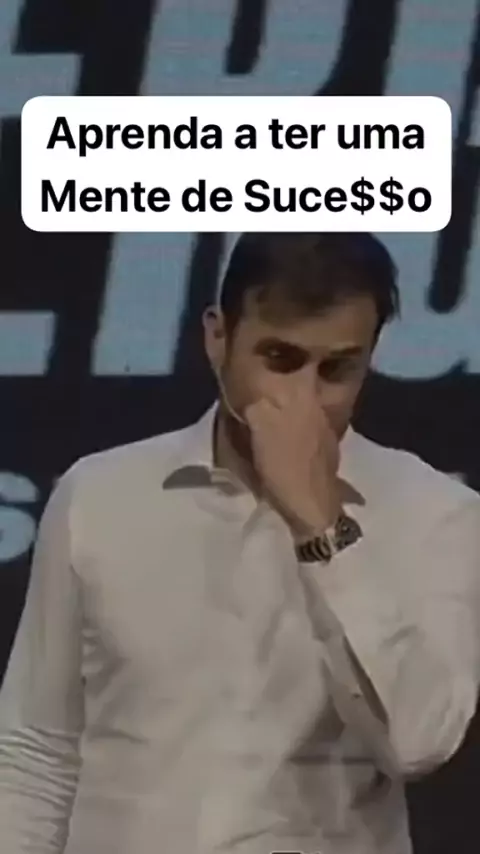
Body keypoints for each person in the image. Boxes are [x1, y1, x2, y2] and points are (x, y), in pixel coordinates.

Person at [0, 232, 479, 854]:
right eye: (279, 359)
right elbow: (37, 748)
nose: (303, 399)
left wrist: (321, 524)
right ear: (218, 337)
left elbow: (418, 743)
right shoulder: (100, 495)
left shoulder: (436, 514)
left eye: (336, 370)